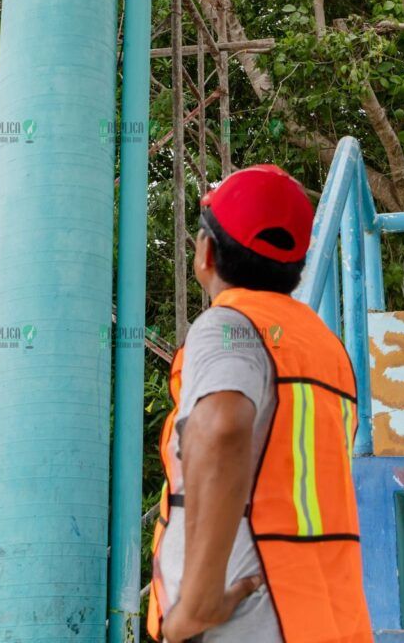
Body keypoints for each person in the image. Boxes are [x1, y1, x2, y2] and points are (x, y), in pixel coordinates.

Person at [148, 164, 373, 643]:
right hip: (328, 618)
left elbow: (224, 427)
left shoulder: (227, 324)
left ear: (206, 253)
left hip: (248, 622)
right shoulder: (325, 347)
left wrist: (197, 604)